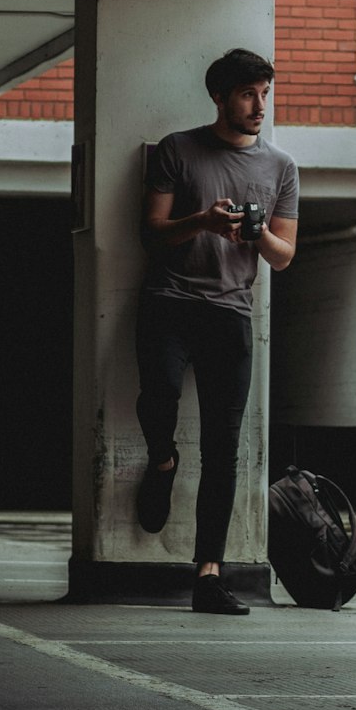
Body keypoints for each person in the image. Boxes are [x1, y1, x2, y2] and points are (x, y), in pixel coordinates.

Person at [134, 48, 299, 615]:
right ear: (221, 97)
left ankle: (208, 572)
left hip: (230, 313)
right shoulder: (178, 149)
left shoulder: (281, 167)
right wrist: (202, 220)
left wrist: (253, 236)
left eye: (264, 94)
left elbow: (284, 257)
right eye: (249, 94)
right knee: (156, 397)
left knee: (224, 448)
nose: (259, 106)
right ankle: (161, 462)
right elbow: (152, 233)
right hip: (168, 302)